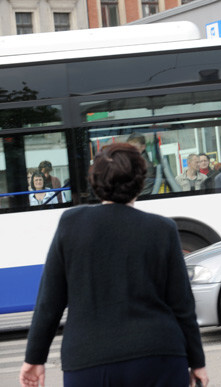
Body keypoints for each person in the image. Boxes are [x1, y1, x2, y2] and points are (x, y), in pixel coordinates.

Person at [20, 143, 209, 387]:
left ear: (95, 181)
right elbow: (182, 304)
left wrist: (35, 358)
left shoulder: (72, 223)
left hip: (89, 360)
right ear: (140, 182)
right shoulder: (162, 229)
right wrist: (197, 361)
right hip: (159, 355)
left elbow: (49, 301)